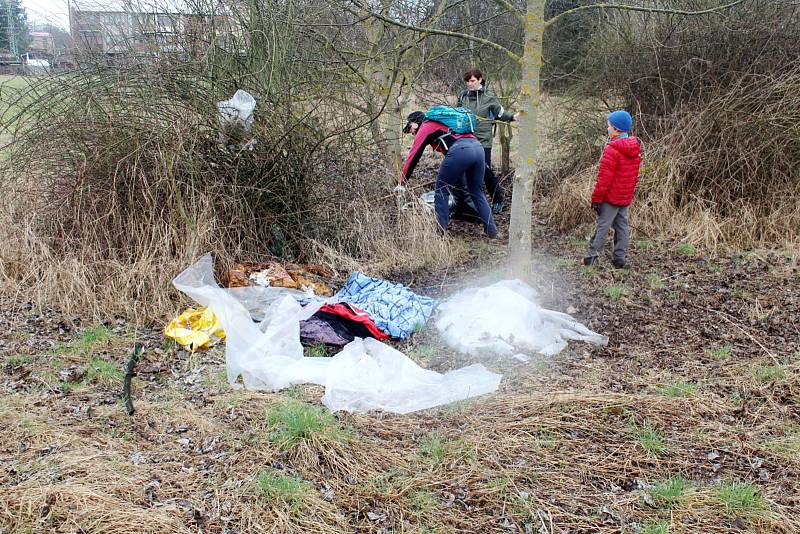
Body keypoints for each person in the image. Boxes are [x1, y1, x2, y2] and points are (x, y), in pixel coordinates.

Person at [400, 110, 497, 238]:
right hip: (478, 148)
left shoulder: (427, 125)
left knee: (441, 191)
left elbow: (414, 155)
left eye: (410, 127)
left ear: (417, 122)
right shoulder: (444, 125)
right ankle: (492, 232)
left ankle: (440, 234)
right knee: (477, 192)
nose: (411, 132)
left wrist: (402, 182)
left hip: (461, 150)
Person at [583, 110, 642, 268]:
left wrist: (596, 199)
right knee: (622, 226)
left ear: (616, 129)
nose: (607, 129)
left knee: (603, 225)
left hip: (611, 197)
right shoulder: (634, 148)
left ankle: (591, 257)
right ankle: (619, 258)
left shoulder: (612, 149)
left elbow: (604, 179)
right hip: (624, 196)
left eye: (608, 126)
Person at [457, 68, 520, 214]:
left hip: (483, 141)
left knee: (485, 171)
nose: (469, 84)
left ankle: (498, 200)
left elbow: (500, 113)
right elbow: (458, 114)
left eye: (472, 80)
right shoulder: (463, 96)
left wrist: (513, 117)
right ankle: (470, 204)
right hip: (466, 139)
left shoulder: (488, 96)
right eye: (467, 81)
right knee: (465, 171)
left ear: (479, 79)